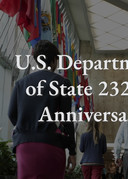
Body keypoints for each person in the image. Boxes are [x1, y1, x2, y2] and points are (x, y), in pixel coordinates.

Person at [8, 40, 76, 179]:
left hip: (25, 145)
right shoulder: (62, 83)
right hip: (51, 144)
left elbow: (11, 114)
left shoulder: (21, 83)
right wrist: (72, 151)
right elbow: (66, 119)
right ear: (53, 60)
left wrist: (26, 126)